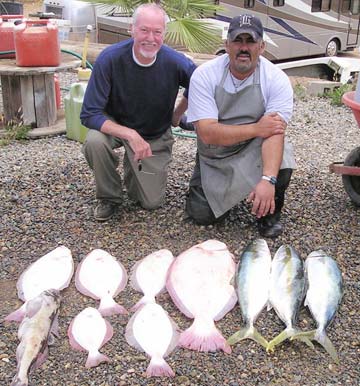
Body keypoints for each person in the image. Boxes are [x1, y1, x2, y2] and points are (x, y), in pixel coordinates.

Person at [80, 3, 196, 221]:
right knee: (95, 142)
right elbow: (89, 113)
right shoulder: (109, 59)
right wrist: (130, 135)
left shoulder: (175, 62)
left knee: (150, 203)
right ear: (131, 29)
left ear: (164, 34)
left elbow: (201, 83)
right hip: (116, 124)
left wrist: (177, 115)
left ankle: (134, 173)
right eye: (144, 30)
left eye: (157, 32)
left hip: (155, 131)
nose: (150, 38)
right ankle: (109, 196)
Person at [185, 14, 296, 238]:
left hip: (254, 149)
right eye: (237, 40)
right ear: (226, 45)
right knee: (201, 215)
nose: (243, 48)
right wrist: (256, 129)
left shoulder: (276, 79)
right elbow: (207, 132)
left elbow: (274, 133)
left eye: (250, 41)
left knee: (283, 157)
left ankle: (268, 212)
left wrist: (268, 180)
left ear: (262, 46)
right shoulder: (205, 75)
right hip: (214, 155)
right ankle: (210, 186)